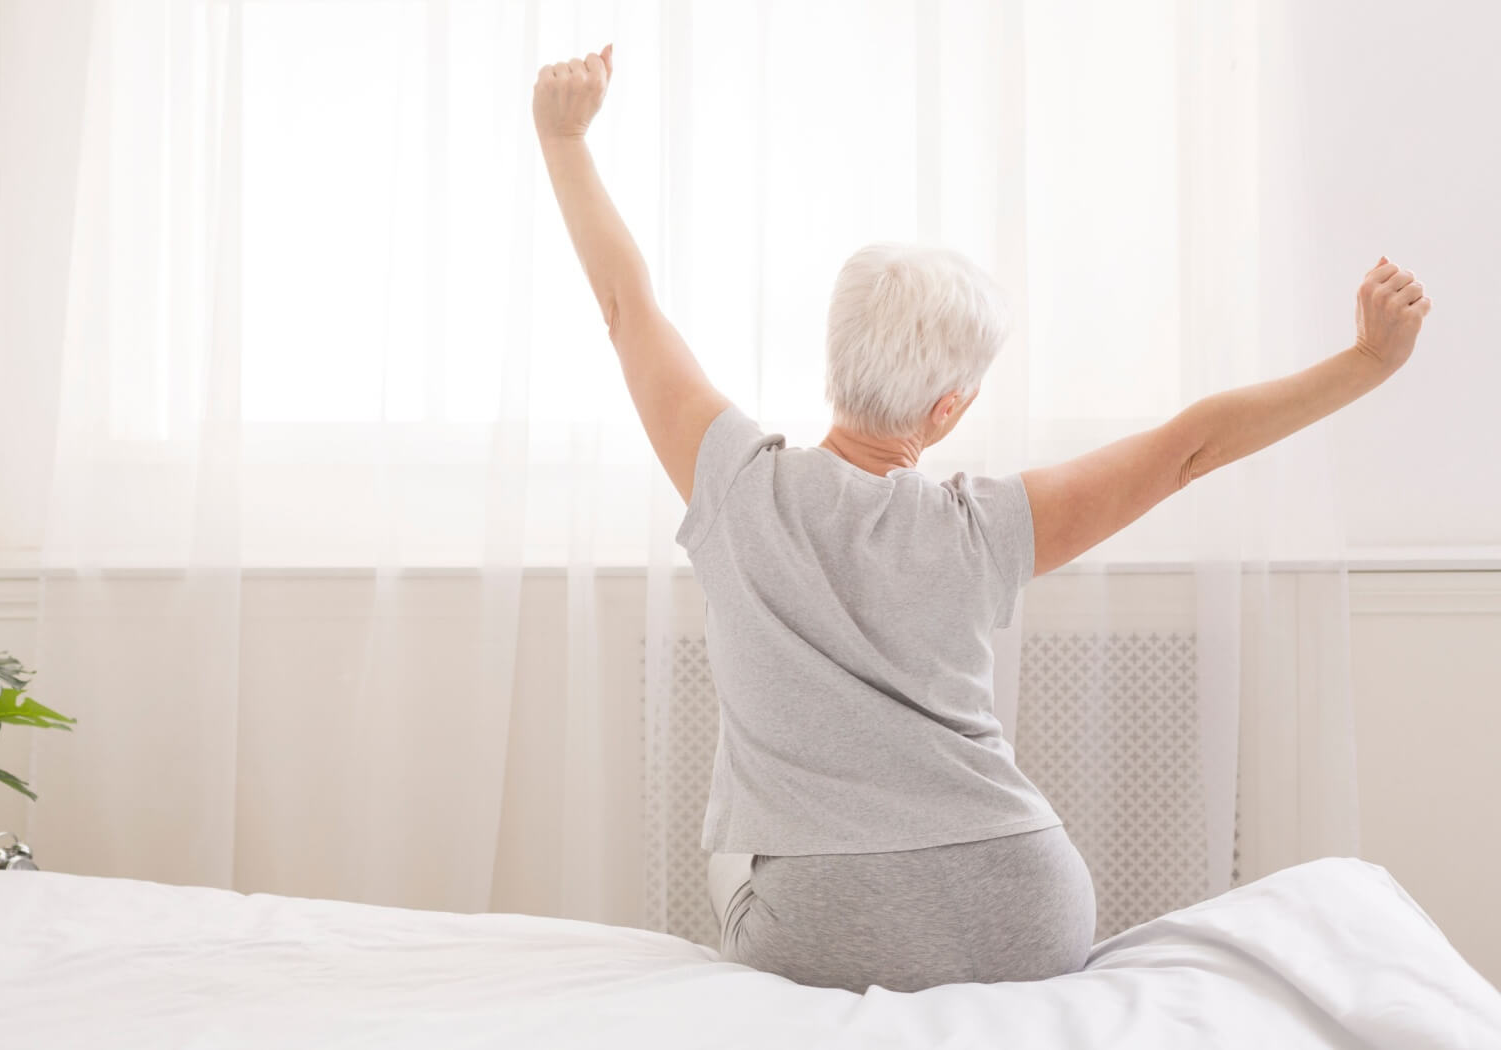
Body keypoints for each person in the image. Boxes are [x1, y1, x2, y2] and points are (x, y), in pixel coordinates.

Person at [532, 44, 1432, 994]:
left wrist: (564, 140)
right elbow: (1187, 448)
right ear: (947, 409)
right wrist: (1367, 362)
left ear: (834, 357)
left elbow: (627, 306)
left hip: (827, 925)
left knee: (730, 841)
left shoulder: (736, 487)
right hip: (1027, 907)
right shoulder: (985, 528)